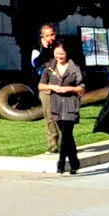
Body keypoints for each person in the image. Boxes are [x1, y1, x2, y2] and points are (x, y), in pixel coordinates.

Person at [41, 40, 87, 174]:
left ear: (67, 53)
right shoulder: (50, 67)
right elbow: (41, 85)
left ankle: (61, 162)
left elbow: (82, 88)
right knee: (67, 135)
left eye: (62, 53)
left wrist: (68, 89)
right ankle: (74, 162)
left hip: (70, 104)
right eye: (56, 53)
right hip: (56, 104)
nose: (59, 56)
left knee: (66, 133)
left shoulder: (75, 67)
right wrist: (51, 87)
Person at [32, 23, 66, 160]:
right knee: (49, 117)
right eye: (48, 35)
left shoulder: (59, 45)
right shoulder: (37, 47)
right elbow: (35, 63)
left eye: (52, 34)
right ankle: (53, 145)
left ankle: (66, 143)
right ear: (42, 36)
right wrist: (44, 48)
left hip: (60, 85)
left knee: (63, 116)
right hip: (45, 86)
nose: (51, 38)